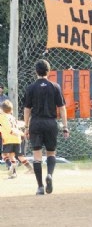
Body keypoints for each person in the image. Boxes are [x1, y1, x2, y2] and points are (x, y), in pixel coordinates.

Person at [23, 59, 69, 195]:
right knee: (51, 153)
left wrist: (26, 127)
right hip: (50, 123)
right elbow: (62, 108)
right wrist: (65, 126)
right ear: (48, 71)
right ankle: (49, 174)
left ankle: (40, 187)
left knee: (37, 155)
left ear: (36, 72)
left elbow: (27, 109)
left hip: (36, 123)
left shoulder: (31, 88)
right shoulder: (55, 86)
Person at [0, 100, 24, 179]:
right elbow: (19, 124)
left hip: (8, 138)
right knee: (12, 156)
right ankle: (14, 173)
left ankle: (11, 165)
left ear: (2, 109)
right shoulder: (12, 117)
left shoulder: (2, 117)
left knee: (4, 155)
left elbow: (6, 127)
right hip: (17, 138)